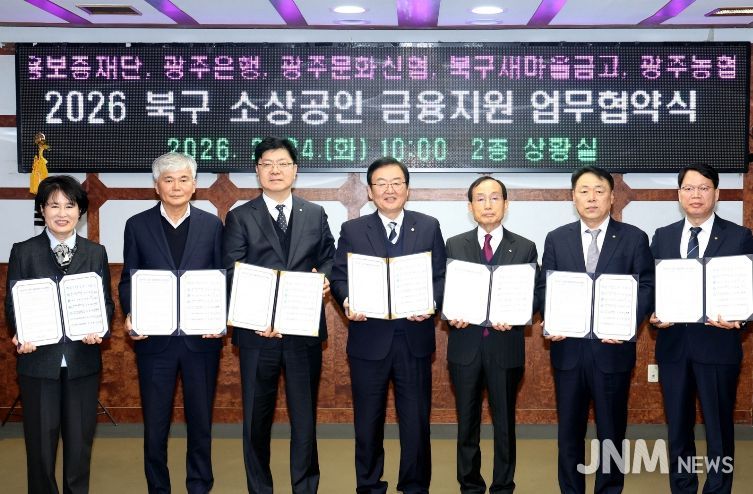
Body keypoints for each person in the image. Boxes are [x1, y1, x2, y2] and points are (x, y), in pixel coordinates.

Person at [223, 137, 335, 494]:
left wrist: (326, 278)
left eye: (283, 163)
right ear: (257, 171)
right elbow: (232, 271)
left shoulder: (314, 213)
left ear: (295, 170)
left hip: (303, 331)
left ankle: (305, 487)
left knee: (304, 420)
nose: (275, 170)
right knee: (256, 421)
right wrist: (263, 316)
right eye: (267, 164)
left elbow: (329, 257)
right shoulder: (240, 216)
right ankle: (260, 489)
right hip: (257, 335)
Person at [330, 157, 447, 494]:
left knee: (416, 423)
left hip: (414, 339)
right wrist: (347, 300)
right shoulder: (353, 230)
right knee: (368, 424)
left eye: (396, 182)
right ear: (370, 192)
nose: (389, 189)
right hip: (369, 341)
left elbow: (440, 276)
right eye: (381, 183)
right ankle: (369, 486)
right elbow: (339, 276)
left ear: (407, 189)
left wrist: (431, 303)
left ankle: (414, 486)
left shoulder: (428, 226)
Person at [538, 166, 654, 494]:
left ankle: (609, 489)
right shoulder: (556, 238)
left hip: (612, 350)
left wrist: (626, 323)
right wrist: (551, 317)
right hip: (568, 350)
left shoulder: (634, 238)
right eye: (584, 191)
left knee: (611, 431)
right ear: (573, 197)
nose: (592, 198)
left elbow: (646, 286)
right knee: (569, 432)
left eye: (599, 191)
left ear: (612, 197)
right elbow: (546, 286)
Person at [119, 152, 223, 494]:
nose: (176, 186)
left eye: (183, 179)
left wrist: (220, 316)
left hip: (201, 341)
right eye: (168, 180)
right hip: (154, 342)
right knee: (155, 424)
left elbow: (222, 278)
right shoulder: (137, 225)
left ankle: (199, 485)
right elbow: (128, 279)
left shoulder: (212, 225)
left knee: (201, 422)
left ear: (194, 185)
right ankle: (158, 487)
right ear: (156, 186)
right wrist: (131, 313)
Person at [5, 175, 114, 494]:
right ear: (42, 210)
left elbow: (105, 302)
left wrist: (100, 328)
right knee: (40, 446)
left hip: (82, 360)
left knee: (79, 445)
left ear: (80, 211)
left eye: (70, 205)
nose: (62, 213)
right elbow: (13, 302)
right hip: (39, 361)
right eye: (54, 205)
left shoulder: (96, 252)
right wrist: (20, 331)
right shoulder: (23, 252)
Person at [649, 163, 753, 494]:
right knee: (678, 427)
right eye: (689, 188)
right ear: (679, 194)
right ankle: (683, 486)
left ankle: (718, 488)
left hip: (718, 346)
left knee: (718, 428)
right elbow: (652, 287)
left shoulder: (739, 236)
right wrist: (653, 313)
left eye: (704, 188)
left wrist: (742, 317)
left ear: (716, 194)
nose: (696, 194)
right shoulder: (662, 236)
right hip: (673, 348)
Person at [445, 176, 539, 494]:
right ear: (470, 206)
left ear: (506, 204)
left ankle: (503, 485)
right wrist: (451, 312)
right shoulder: (454, 245)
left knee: (505, 424)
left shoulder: (525, 247)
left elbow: (534, 294)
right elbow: (445, 289)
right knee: (466, 423)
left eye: (495, 198)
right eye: (480, 198)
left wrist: (517, 315)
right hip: (465, 348)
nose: (488, 204)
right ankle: (470, 485)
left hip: (505, 348)